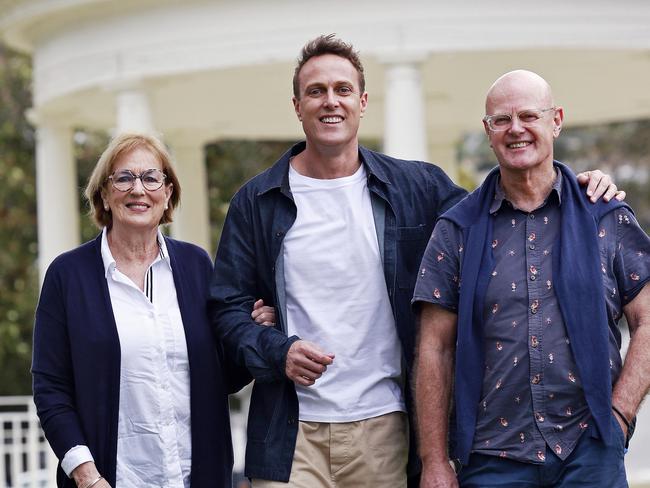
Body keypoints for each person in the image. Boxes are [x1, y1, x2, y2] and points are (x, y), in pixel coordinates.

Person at [209, 36, 623, 488]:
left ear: (362, 101)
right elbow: (227, 310)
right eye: (316, 91)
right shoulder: (256, 201)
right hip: (288, 433)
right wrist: (276, 350)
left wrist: (574, 187)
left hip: (384, 430)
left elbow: (505, 216)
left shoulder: (417, 188)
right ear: (297, 105)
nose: (331, 101)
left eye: (343, 89)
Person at [413, 70, 649, 488]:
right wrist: (434, 460)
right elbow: (435, 348)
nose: (515, 129)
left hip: (590, 448)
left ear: (555, 120)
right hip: (492, 456)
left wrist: (620, 413)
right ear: (487, 131)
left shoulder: (605, 215)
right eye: (501, 120)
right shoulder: (457, 229)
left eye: (528, 115)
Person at [32, 133, 263, 488]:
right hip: (109, 480)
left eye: (151, 178)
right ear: (105, 195)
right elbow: (51, 387)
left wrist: (250, 333)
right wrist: (85, 473)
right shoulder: (68, 275)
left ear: (167, 192)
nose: (138, 189)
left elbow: (224, 376)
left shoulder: (197, 265)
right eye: (123, 178)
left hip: (195, 476)